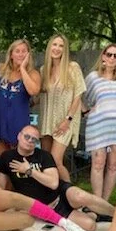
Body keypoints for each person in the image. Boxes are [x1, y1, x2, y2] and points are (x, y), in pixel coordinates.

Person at [0, 125, 116, 231]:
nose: (30, 141)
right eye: (27, 137)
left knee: (80, 196)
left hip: (60, 194)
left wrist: (30, 171)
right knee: (90, 225)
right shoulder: (7, 157)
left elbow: (53, 183)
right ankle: (93, 214)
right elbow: (0, 186)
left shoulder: (43, 155)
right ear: (19, 136)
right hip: (50, 208)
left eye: (34, 139)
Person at [84, 43, 116, 201]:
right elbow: (80, 96)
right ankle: (96, 202)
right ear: (103, 56)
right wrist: (86, 111)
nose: (112, 58)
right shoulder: (93, 77)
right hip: (98, 125)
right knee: (98, 163)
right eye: (109, 54)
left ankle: (104, 203)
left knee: (113, 165)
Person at [37, 33, 86, 182]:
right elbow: (41, 95)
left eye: (61, 46)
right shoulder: (44, 70)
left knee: (55, 160)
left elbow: (78, 95)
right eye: (54, 44)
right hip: (47, 120)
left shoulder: (72, 68)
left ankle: (69, 192)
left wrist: (68, 119)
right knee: (46, 161)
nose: (57, 48)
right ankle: (51, 193)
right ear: (49, 47)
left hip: (65, 120)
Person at [0, 38, 41, 157]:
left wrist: (23, 69)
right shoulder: (0, 69)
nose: (20, 54)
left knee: (17, 159)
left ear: (28, 54)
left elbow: (33, 91)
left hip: (19, 121)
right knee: (3, 160)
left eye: (24, 51)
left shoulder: (33, 73)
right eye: (17, 51)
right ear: (11, 54)